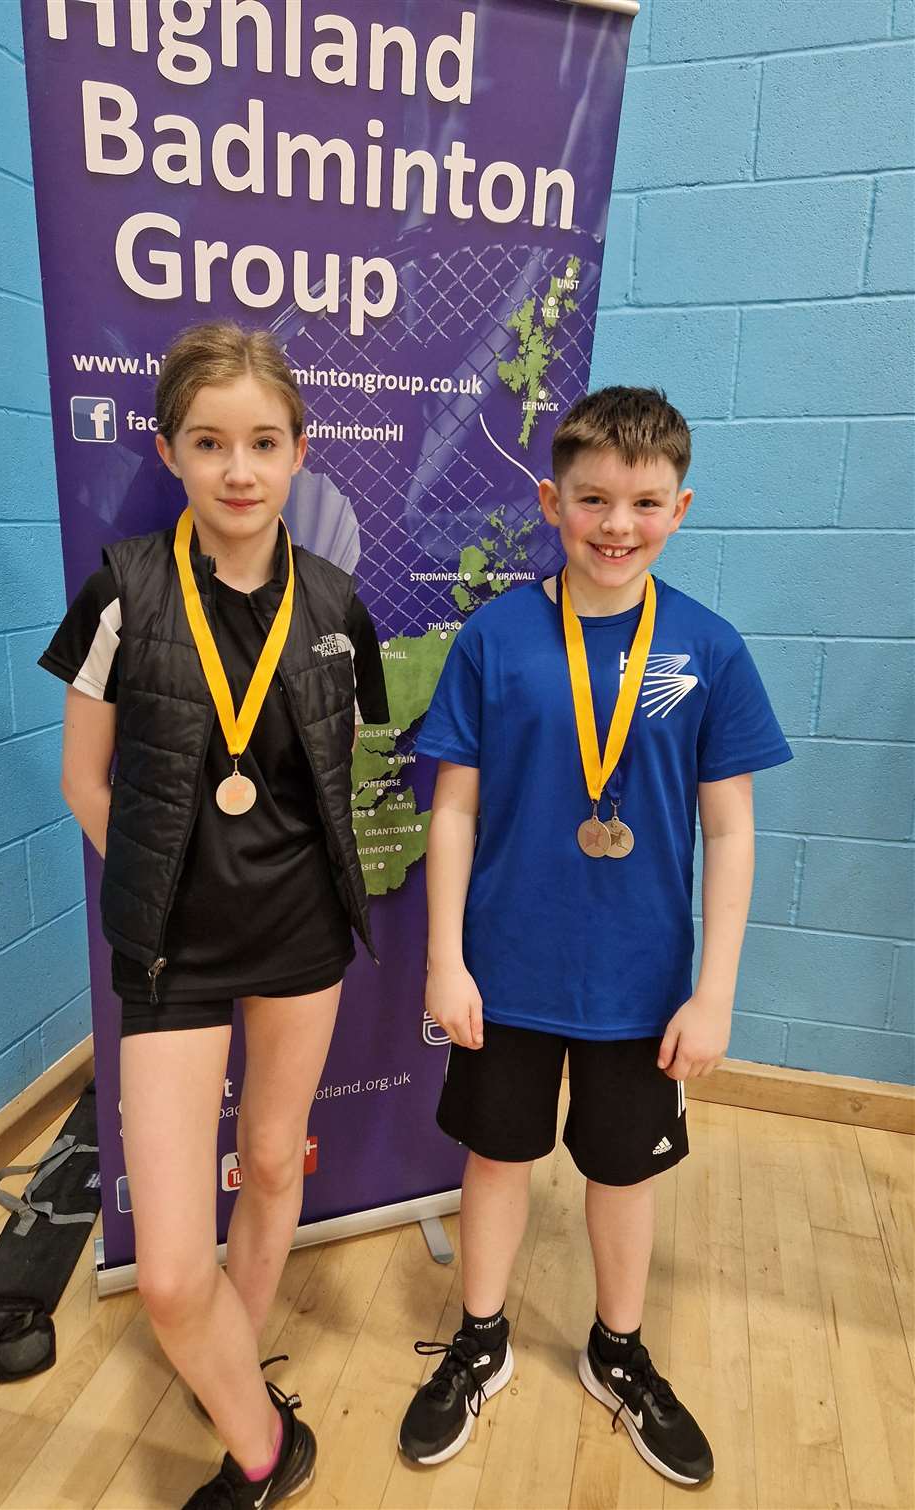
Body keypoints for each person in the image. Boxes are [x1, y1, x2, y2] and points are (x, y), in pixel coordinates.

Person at [398, 387, 792, 1486]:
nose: (618, 523)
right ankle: (481, 1337)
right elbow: (457, 808)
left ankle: (617, 1349)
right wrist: (444, 957)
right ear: (550, 501)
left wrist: (713, 991)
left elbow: (731, 828)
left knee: (624, 1171)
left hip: (643, 983)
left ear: (681, 507)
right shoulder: (497, 635)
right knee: (496, 1154)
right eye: (594, 498)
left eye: (645, 501)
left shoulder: (709, 647)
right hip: (507, 972)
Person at [40, 321, 388, 1509]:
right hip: (172, 950)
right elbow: (86, 780)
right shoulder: (123, 589)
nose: (238, 468)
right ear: (169, 449)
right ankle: (272, 1444)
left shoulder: (340, 601)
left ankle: (237, 1392)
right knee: (174, 1273)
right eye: (209, 442)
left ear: (301, 451)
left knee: (272, 1162)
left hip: (302, 943)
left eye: (262, 441)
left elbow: (331, 783)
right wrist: (155, 876)